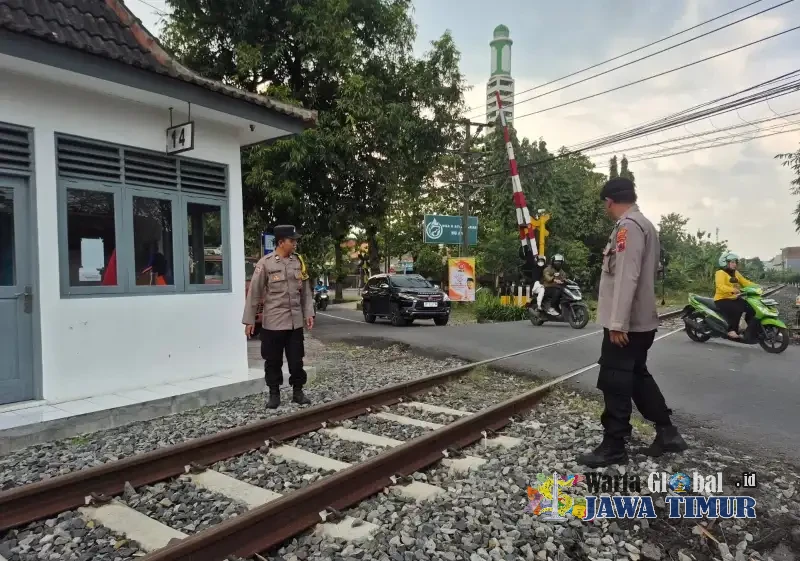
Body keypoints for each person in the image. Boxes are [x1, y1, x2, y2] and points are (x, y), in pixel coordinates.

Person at [576, 177, 687, 468]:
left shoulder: (628, 227)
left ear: (609, 201)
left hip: (627, 324)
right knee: (637, 377)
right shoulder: (644, 224)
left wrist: (617, 323)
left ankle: (614, 446)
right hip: (638, 322)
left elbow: (627, 276)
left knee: (615, 380)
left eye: (605, 203)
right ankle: (668, 433)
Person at [243, 225, 315, 409]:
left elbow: (306, 291)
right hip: (273, 323)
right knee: (273, 361)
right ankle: (274, 394)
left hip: (294, 323)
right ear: (281, 242)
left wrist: (309, 313)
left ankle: (298, 392)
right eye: (292, 240)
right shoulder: (265, 263)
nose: (295, 243)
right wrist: (250, 320)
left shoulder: (298, 262)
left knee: (297, 361)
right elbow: (254, 293)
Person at [713, 252, 757, 341]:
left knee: (751, 309)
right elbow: (720, 286)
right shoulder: (720, 273)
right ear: (725, 262)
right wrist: (733, 290)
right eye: (732, 262)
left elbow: (745, 282)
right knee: (737, 309)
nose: (735, 264)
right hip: (722, 299)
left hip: (734, 298)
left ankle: (749, 330)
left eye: (735, 262)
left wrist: (756, 286)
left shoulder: (735, 273)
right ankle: (731, 331)